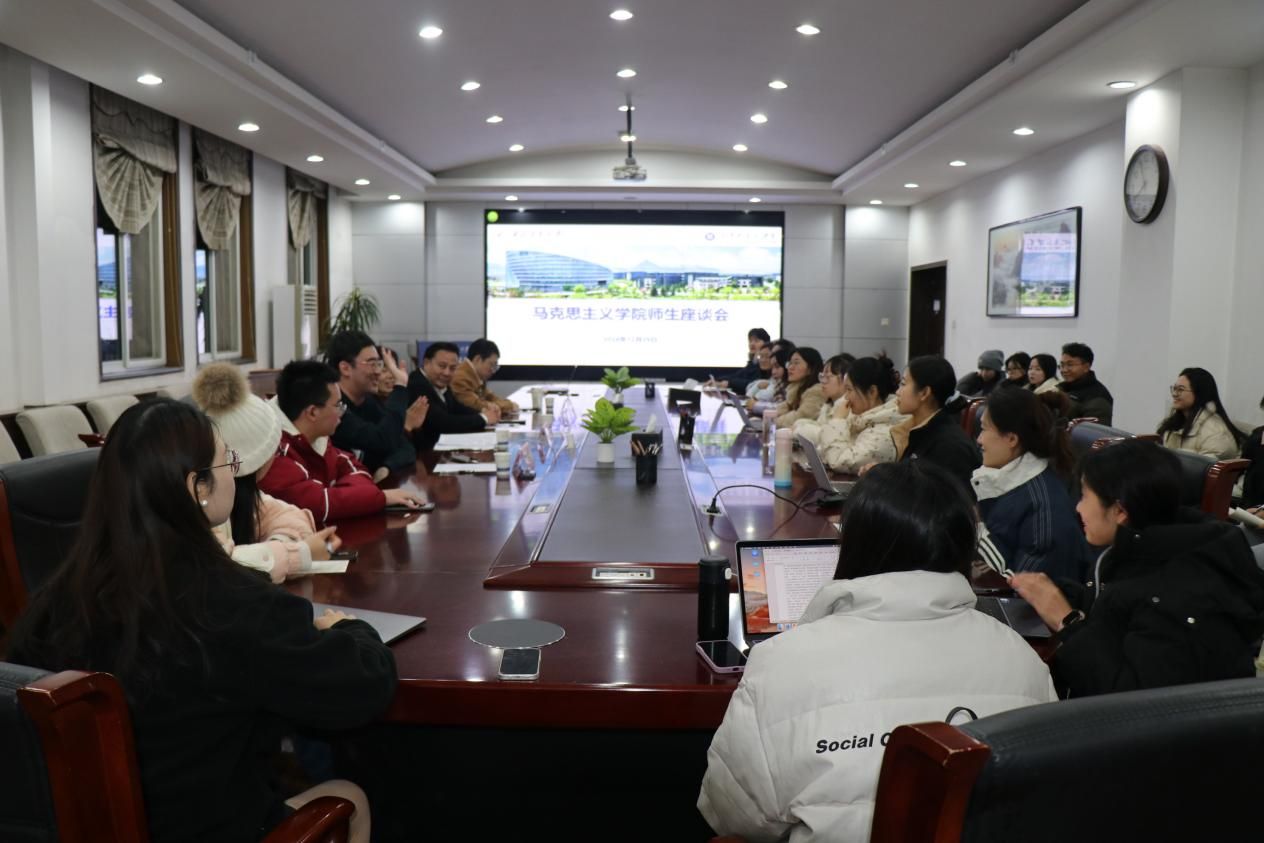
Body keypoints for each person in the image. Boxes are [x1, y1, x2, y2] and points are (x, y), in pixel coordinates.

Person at [7, 399, 396, 843]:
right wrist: (349, 629)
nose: (235, 472)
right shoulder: (236, 603)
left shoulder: (50, 604)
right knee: (349, 797)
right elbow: (361, 689)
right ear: (199, 488)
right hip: (213, 826)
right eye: (228, 461)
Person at [698, 460, 1056, 842]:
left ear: (853, 544)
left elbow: (732, 814)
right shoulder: (1023, 659)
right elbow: (1046, 797)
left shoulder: (781, 663)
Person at [1011, 439, 1264, 698]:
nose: (1078, 508)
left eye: (1085, 496)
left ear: (1119, 510)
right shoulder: (1140, 545)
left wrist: (1067, 620)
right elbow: (1113, 611)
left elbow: (1129, 698)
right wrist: (1056, 594)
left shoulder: (1181, 589)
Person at [192, 363, 340, 581]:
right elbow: (222, 567)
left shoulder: (237, 496)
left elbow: (291, 518)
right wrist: (298, 555)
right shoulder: (199, 507)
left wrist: (277, 546)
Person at [262, 360, 426, 519]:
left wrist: (342, 494)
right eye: (338, 405)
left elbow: (356, 469)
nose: (342, 412)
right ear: (312, 412)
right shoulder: (272, 450)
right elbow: (318, 504)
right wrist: (380, 498)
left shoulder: (318, 437)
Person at [973, 387, 1089, 580]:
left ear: (1011, 439)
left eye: (984, 429)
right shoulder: (1008, 481)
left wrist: (976, 526)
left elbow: (1025, 586)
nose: (979, 439)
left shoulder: (1044, 509)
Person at [325, 331, 429, 473]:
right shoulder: (333, 408)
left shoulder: (368, 401)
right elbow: (383, 440)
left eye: (379, 364)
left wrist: (386, 468)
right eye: (372, 364)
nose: (378, 372)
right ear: (345, 368)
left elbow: (404, 446)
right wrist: (399, 387)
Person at [886, 355, 981, 493]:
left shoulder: (950, 446)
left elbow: (933, 498)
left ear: (924, 393)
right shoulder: (918, 430)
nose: (897, 392)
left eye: (903, 384)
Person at [797, 355, 906, 474]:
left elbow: (838, 461)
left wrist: (837, 420)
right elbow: (825, 451)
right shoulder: (860, 419)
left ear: (872, 392)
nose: (846, 397)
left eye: (849, 390)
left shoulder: (885, 432)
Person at [407, 341, 500, 452]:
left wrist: (483, 411)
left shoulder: (439, 383)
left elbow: (456, 407)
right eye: (442, 366)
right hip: (423, 454)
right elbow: (443, 423)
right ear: (426, 363)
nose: (447, 373)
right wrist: (483, 418)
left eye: (452, 368)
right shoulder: (417, 384)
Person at [1156, 367, 1243, 459]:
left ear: (1199, 393)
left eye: (1180, 389)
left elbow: (1203, 466)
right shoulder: (1174, 424)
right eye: (1174, 388)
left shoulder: (1217, 433)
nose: (1174, 394)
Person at [450, 338, 520, 417]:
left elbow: (491, 397)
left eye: (495, 366)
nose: (493, 371)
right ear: (478, 359)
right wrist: (509, 405)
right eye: (491, 364)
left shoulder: (475, 376)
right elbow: (477, 405)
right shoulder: (460, 377)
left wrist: (507, 404)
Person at [1057, 342, 1113, 424]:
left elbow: (1090, 431)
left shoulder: (1098, 397)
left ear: (1086, 367)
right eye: (1062, 365)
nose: (1064, 370)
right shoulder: (1061, 388)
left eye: (1070, 365)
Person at [773, 347, 826, 428]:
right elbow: (781, 409)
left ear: (810, 369)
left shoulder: (816, 391)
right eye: (790, 363)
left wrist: (772, 422)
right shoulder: (795, 389)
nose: (790, 367)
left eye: (796, 363)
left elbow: (800, 417)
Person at [711, 328, 771, 393]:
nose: (752, 344)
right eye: (750, 341)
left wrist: (729, 383)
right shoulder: (753, 362)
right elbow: (737, 375)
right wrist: (717, 380)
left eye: (756, 341)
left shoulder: (765, 363)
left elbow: (752, 384)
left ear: (766, 343)